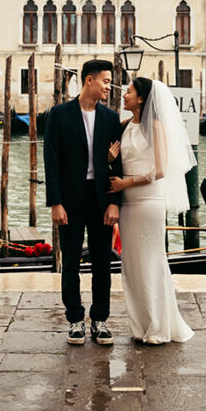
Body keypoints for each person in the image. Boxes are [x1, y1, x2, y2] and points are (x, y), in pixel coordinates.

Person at [108, 78, 195, 345]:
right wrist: (110, 160)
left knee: (151, 262)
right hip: (128, 204)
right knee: (132, 265)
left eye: (129, 91)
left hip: (148, 201)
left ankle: (158, 326)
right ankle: (141, 324)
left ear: (142, 98)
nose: (124, 95)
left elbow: (160, 170)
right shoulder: (125, 126)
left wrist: (126, 182)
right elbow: (117, 160)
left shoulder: (155, 126)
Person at [43, 59, 123, 346]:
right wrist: (55, 202)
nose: (108, 87)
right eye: (105, 81)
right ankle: (75, 319)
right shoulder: (59, 114)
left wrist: (115, 203)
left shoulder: (111, 118)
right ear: (89, 80)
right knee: (71, 262)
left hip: (101, 199)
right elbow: (50, 162)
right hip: (70, 200)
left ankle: (100, 319)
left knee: (103, 261)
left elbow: (119, 165)